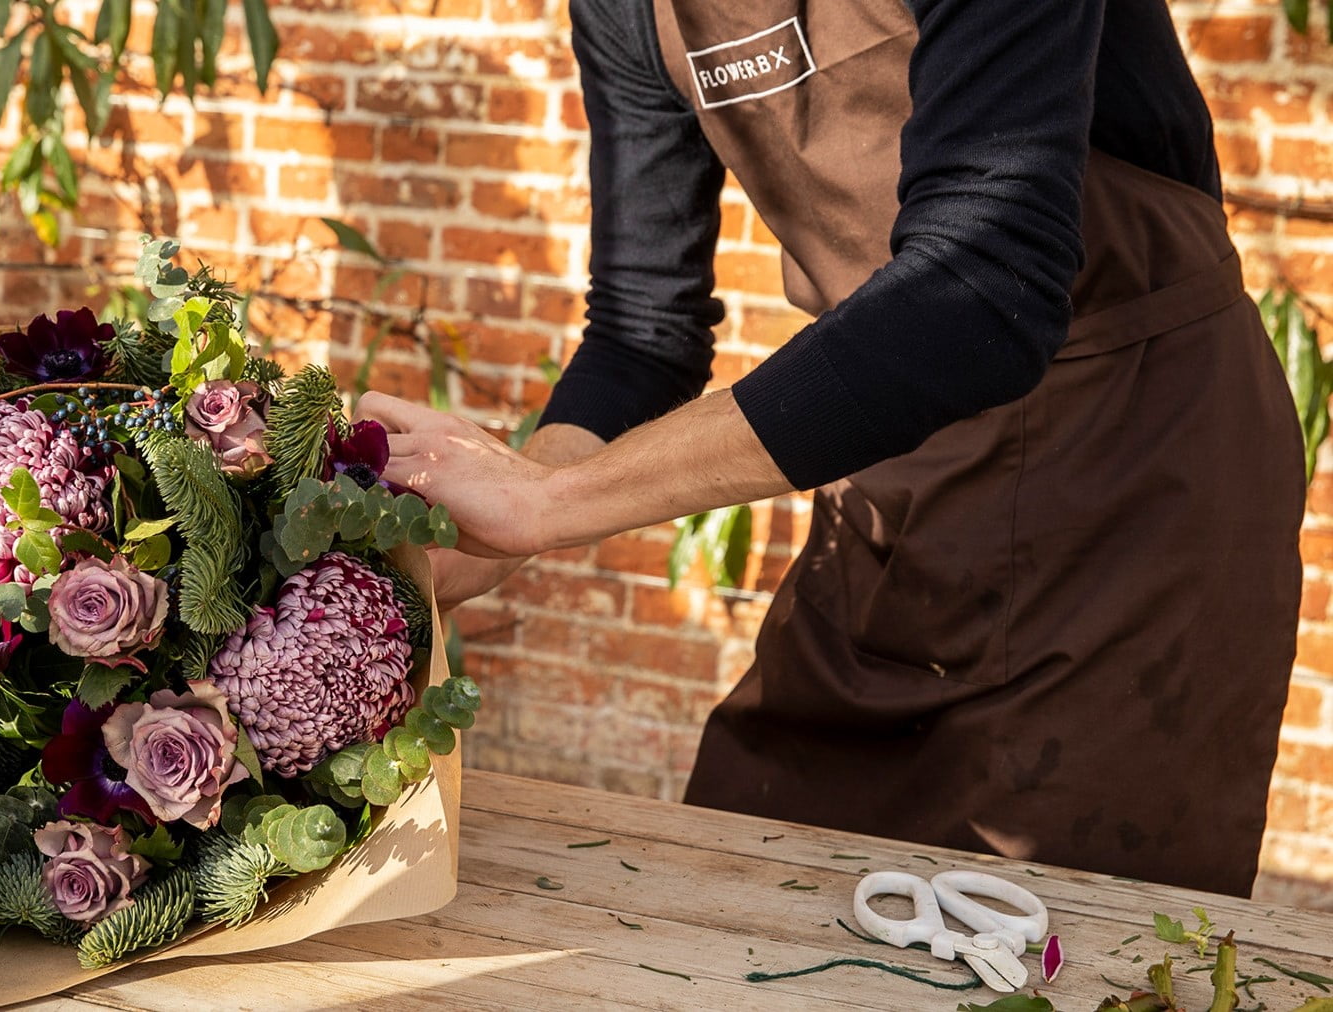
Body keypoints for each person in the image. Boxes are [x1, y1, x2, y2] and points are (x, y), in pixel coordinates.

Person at [358, 0, 1305, 897]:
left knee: (1059, 943)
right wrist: (483, 524)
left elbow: (983, 292)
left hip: (1137, 479)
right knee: (750, 894)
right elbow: (643, 331)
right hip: (898, 483)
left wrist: (550, 507)